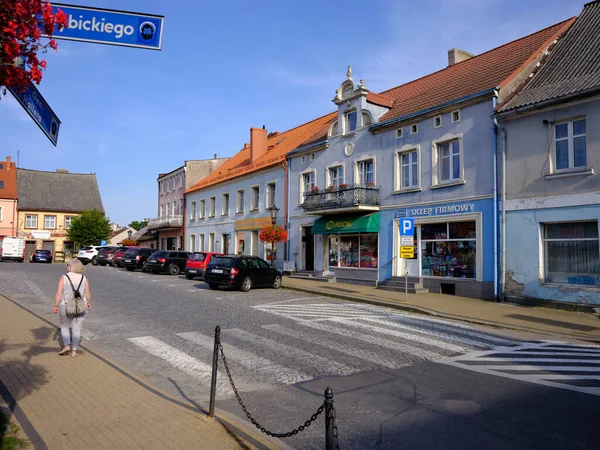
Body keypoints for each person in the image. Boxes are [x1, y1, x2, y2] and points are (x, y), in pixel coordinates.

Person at [53, 258, 92, 358]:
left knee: (65, 326)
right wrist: (88, 303)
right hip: (80, 306)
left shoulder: (64, 277)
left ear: (71, 266)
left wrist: (56, 305)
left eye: (68, 265)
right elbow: (87, 293)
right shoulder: (84, 278)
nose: (67, 267)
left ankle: (66, 346)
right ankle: (74, 351)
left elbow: (58, 293)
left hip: (65, 306)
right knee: (77, 329)